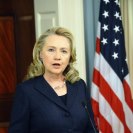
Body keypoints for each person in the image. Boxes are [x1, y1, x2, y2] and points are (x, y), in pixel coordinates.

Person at [8, 27, 98, 133]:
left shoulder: (79, 85)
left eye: (64, 51)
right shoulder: (26, 91)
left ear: (70, 57)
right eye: (51, 50)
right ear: (40, 54)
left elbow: (90, 128)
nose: (57, 57)